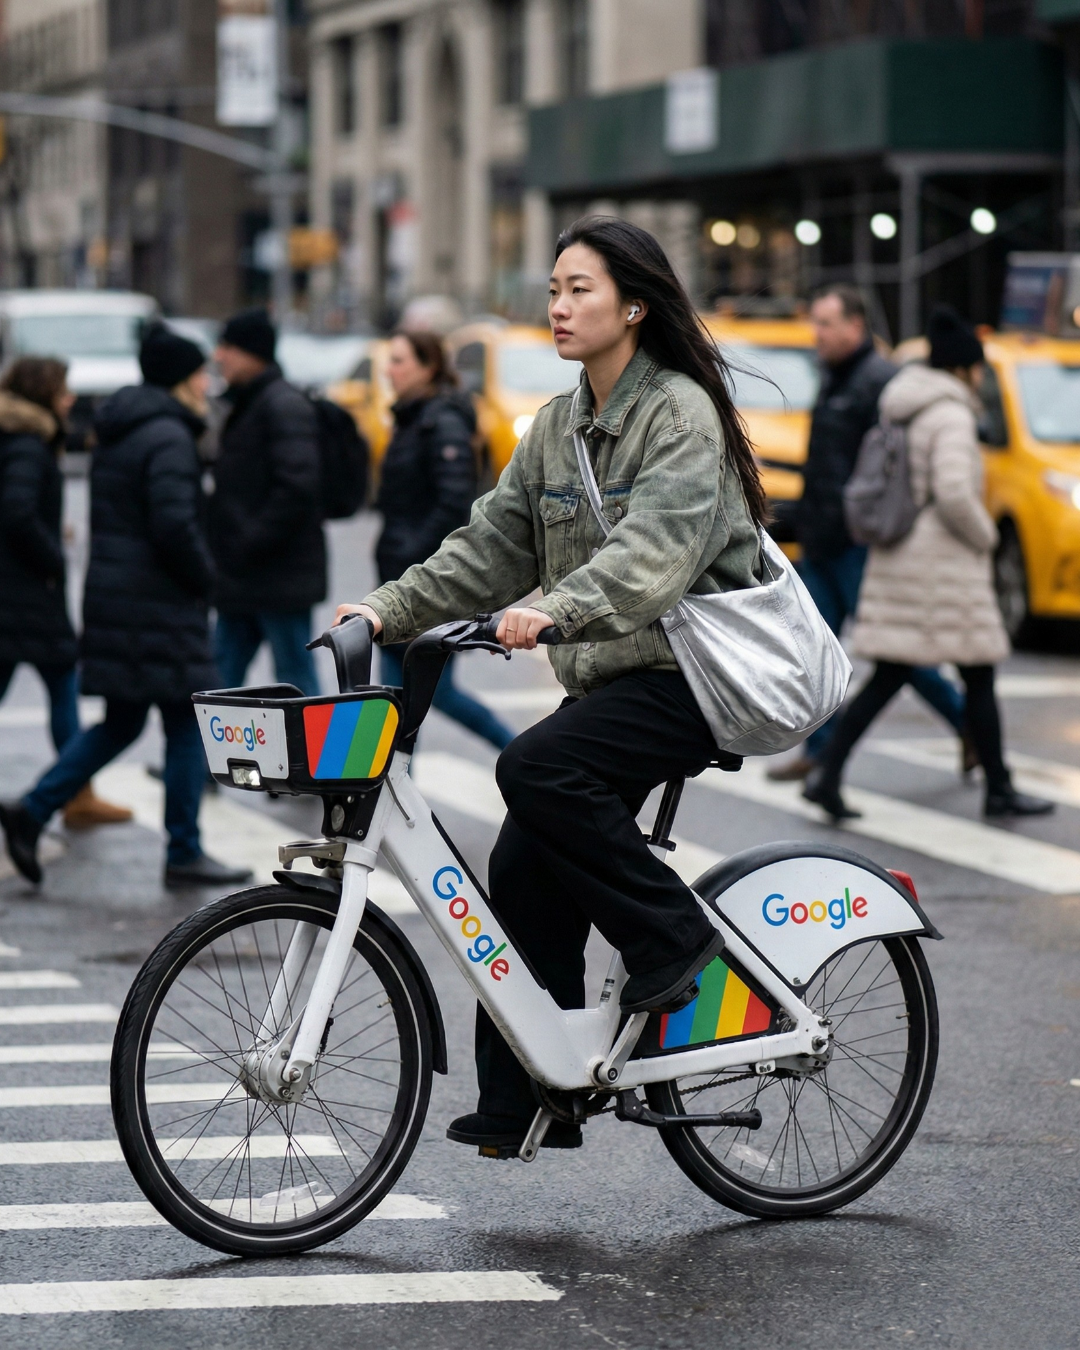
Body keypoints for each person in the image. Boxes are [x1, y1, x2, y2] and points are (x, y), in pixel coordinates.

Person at [337, 216, 765, 1154]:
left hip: (691, 677)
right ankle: (533, 1093)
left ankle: (675, 943)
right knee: (524, 867)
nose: (560, 307)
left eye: (581, 290)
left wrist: (557, 609)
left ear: (635, 306)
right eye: (555, 290)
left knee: (535, 769)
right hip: (615, 679)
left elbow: (654, 556)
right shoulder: (556, 426)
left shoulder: (681, 415)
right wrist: (384, 611)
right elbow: (490, 546)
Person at [0, 326, 254, 889]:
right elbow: (173, 525)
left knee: (122, 721)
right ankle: (183, 849)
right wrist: (205, 577)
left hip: (123, 599)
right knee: (187, 721)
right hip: (158, 604)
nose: (203, 384)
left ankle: (34, 808)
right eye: (196, 375)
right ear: (178, 379)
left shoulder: (123, 429)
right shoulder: (167, 436)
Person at [803, 306, 1053, 822]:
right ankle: (998, 787)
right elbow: (956, 493)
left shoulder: (907, 407)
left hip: (904, 558)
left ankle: (828, 774)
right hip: (944, 566)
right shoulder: (952, 415)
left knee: (896, 674)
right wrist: (986, 538)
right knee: (975, 674)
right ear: (966, 369)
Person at [768, 284, 968, 782]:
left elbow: (893, 468)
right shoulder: (835, 377)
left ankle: (971, 728)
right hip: (823, 540)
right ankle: (819, 751)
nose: (817, 334)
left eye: (826, 324)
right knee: (816, 651)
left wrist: (876, 527)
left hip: (860, 545)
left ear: (855, 325)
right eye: (815, 323)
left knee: (899, 653)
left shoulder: (879, 380)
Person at [0, 357, 132, 830]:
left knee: (60, 684)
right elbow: (16, 512)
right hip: (26, 595)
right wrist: (52, 557)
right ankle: (76, 791)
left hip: (17, 595)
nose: (70, 398)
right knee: (62, 684)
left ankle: (76, 790)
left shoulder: (17, 439)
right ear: (43, 394)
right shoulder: (27, 447)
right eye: (62, 390)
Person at [375, 330, 514, 751]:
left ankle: (517, 750)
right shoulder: (413, 416)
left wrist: (409, 555)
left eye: (399, 361)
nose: (389, 370)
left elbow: (454, 505)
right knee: (400, 697)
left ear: (428, 367)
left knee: (414, 697)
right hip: (403, 576)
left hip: (424, 580)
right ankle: (395, 793)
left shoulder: (442, 422)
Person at [210, 308, 324, 696]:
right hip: (247, 576)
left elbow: (297, 488)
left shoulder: (281, 406)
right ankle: (198, 760)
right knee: (218, 682)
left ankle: (319, 759)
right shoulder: (251, 402)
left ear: (252, 353)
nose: (218, 356)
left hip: (279, 576)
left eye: (227, 347)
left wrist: (247, 542)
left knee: (296, 681)